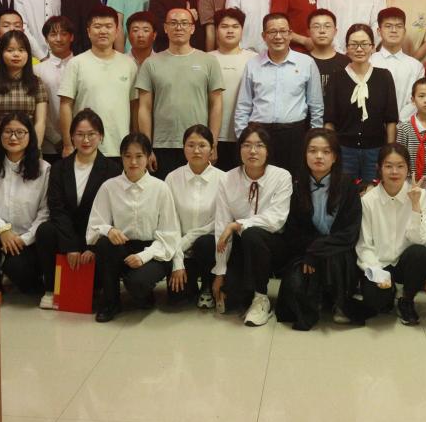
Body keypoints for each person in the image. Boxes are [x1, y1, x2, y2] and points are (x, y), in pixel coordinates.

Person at [87, 133, 181, 322]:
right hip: (122, 247)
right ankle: (111, 303)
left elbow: (170, 234)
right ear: (121, 157)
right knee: (105, 243)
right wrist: (109, 230)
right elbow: (94, 227)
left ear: (148, 157)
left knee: (137, 283)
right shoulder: (109, 187)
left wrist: (143, 256)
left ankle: (143, 293)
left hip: (154, 250)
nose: (133, 162)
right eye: (127, 156)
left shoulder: (160, 188)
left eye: (139, 156)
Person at [277, 128, 364, 330]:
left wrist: (317, 250)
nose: (318, 156)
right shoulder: (296, 186)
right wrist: (312, 251)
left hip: (338, 251)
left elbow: (350, 233)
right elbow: (293, 232)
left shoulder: (348, 186)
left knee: (335, 258)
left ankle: (340, 303)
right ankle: (315, 299)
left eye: (326, 151)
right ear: (305, 154)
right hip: (306, 251)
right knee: (295, 288)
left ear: (335, 157)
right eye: (312, 150)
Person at [211, 124, 293, 326]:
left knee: (252, 234)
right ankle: (240, 289)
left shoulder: (282, 176)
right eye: (246, 145)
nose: (253, 151)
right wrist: (220, 272)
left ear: (268, 150)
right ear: (239, 149)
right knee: (231, 301)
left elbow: (276, 219)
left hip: (274, 244)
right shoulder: (227, 179)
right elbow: (222, 225)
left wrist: (237, 224)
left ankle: (261, 297)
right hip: (242, 245)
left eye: (259, 145)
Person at [40, 109, 122, 309]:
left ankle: (99, 287)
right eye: (80, 134)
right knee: (45, 230)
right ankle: (51, 289)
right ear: (71, 137)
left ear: (101, 136)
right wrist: (71, 246)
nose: (86, 140)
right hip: (66, 233)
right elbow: (57, 209)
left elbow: (112, 214)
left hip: (95, 234)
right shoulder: (59, 168)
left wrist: (90, 247)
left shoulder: (112, 169)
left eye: (91, 134)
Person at [0, 112, 56, 298]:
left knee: (19, 270)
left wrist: (23, 240)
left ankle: (25, 276)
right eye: (8, 132)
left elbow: (45, 212)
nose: (13, 137)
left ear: (30, 135)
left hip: (27, 240)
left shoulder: (44, 169)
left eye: (20, 132)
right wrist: (3, 230)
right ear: (0, 135)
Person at [136, 7, 224, 179]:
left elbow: (216, 104)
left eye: (184, 23)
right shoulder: (151, 63)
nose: (179, 27)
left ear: (192, 28)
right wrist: (147, 147)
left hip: (198, 144)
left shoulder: (209, 61)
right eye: (173, 23)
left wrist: (212, 143)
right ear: (165, 28)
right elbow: (144, 108)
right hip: (162, 144)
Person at [234, 13, 324, 176]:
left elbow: (316, 105)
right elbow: (243, 106)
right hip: (259, 134)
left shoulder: (306, 63)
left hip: (294, 135)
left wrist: (314, 139)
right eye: (272, 32)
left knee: (292, 181)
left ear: (290, 34)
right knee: (259, 180)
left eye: (283, 31)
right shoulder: (252, 64)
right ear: (264, 36)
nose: (278, 36)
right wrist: (243, 138)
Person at [356, 144, 426, 325]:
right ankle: (389, 294)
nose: (394, 171)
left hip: (405, 263)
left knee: (421, 254)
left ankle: (406, 299)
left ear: (408, 169)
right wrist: (378, 274)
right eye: (388, 166)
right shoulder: (368, 200)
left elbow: (420, 239)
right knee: (376, 303)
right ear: (379, 168)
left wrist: (415, 206)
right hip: (380, 263)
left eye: (400, 166)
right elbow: (364, 245)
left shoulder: (419, 195)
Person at [58, 6, 137, 162]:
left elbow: (135, 106)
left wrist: (134, 143)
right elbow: (65, 105)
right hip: (84, 147)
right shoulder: (76, 63)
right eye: (97, 26)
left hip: (120, 147)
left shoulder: (129, 64)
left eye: (108, 26)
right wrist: (68, 144)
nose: (103, 31)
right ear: (88, 31)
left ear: (117, 31)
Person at [323, 25, 399, 184]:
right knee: (344, 194)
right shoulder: (336, 78)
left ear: (372, 47)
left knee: (373, 193)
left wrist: (390, 151)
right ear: (346, 48)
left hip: (376, 151)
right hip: (344, 151)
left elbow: (391, 119)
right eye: (353, 44)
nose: (359, 49)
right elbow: (329, 121)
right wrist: (331, 150)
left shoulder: (384, 77)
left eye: (364, 44)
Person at [166, 125, 225, 307]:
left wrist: (190, 237)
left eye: (202, 145)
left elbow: (221, 221)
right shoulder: (172, 178)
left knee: (204, 243)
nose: (196, 150)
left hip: (210, 249)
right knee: (177, 297)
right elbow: (169, 222)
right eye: (190, 145)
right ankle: (189, 281)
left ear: (212, 149)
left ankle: (207, 285)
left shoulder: (224, 179)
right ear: (183, 148)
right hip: (179, 248)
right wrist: (177, 260)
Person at [0, 30, 47, 154]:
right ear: (1, 54)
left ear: (28, 54)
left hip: (29, 149)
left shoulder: (37, 83)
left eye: (21, 50)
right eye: (10, 50)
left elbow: (40, 122)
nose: (16, 54)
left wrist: (33, 151)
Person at [209, 8, 258, 172]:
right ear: (216, 30)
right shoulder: (207, 59)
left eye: (235, 26)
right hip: (214, 136)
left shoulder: (254, 59)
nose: (230, 31)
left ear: (242, 30)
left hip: (245, 135)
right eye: (224, 26)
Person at [370, 7, 426, 122]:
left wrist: (399, 122)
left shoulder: (416, 66)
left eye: (399, 26)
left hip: (405, 126)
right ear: (379, 31)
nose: (394, 30)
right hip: (373, 125)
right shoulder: (369, 62)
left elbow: (417, 99)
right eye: (388, 26)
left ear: (404, 31)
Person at [34, 16, 75, 162]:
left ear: (72, 37)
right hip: (49, 145)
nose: (59, 39)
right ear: (46, 39)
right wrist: (56, 138)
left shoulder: (83, 65)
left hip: (82, 141)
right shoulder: (37, 70)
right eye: (53, 34)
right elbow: (37, 109)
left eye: (64, 34)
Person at [0, 9, 39, 85]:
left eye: (17, 26)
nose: (12, 29)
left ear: (23, 31)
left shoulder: (36, 64)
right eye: (6, 26)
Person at [307, 8, 349, 94]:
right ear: (308, 32)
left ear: (335, 31)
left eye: (327, 26)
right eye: (316, 26)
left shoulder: (347, 63)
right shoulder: (302, 61)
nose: (322, 31)